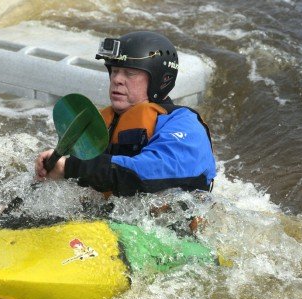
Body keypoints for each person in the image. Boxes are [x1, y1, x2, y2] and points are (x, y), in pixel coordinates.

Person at [35, 31, 216, 196]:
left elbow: (150, 170)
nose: (117, 80)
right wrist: (53, 167)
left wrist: (71, 168)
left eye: (129, 73)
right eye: (114, 71)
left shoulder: (185, 124)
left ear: (161, 80)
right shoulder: (101, 122)